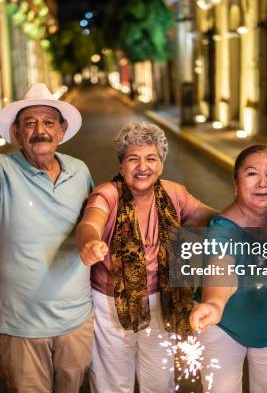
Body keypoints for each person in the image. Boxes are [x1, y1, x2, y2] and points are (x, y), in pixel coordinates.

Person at [0, 83, 93, 392]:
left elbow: (93, 222)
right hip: (21, 324)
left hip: (76, 320)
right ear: (17, 132)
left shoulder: (79, 171)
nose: (40, 130)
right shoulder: (4, 169)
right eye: (30, 123)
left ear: (61, 131)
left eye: (48, 122)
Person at [76, 121, 218, 393]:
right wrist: (90, 243)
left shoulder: (174, 193)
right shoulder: (108, 194)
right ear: (121, 164)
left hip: (160, 299)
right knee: (113, 383)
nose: (143, 167)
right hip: (111, 302)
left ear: (161, 164)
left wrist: (249, 222)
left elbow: (213, 219)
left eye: (151, 158)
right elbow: (90, 222)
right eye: (133, 159)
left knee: (158, 381)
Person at [190, 144, 267, 393]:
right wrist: (214, 303)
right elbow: (222, 269)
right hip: (224, 326)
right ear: (235, 183)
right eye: (251, 174)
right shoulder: (222, 229)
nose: (262, 183)